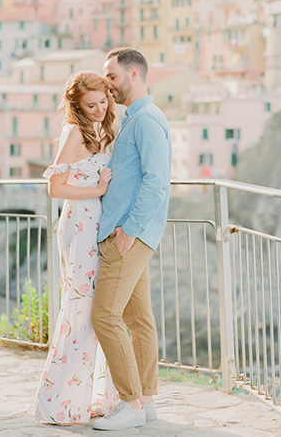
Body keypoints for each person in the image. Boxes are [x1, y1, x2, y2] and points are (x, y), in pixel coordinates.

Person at [90, 47, 172, 431]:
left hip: (128, 235)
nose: (108, 84)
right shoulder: (134, 119)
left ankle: (131, 403)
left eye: (112, 76)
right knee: (139, 319)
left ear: (133, 74)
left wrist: (130, 230)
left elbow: (157, 181)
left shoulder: (146, 121)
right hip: (129, 233)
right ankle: (148, 401)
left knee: (104, 317)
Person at [34, 71, 119, 425]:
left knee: (95, 311)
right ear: (77, 106)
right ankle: (62, 401)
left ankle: (93, 396)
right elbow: (55, 188)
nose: (99, 109)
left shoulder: (100, 129)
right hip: (79, 224)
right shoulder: (72, 132)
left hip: (94, 223)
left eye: (103, 102)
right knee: (81, 311)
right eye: (91, 105)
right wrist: (97, 190)